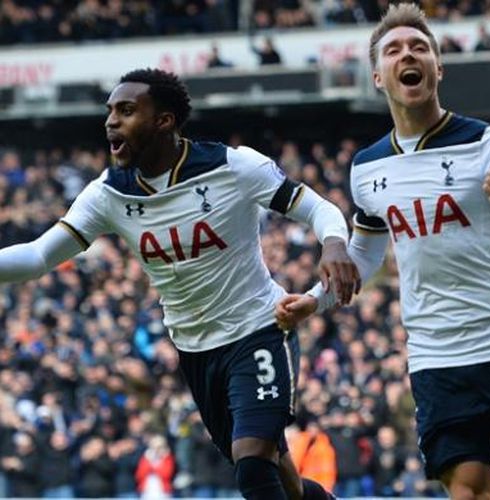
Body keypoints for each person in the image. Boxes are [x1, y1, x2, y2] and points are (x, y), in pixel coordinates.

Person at [0, 68, 360, 500]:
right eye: (110, 111)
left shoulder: (233, 167)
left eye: (126, 110)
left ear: (164, 121)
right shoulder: (109, 194)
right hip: (195, 350)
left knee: (252, 462)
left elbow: (318, 209)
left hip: (259, 329)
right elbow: (40, 255)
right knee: (283, 479)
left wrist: (335, 244)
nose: (111, 121)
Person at [278, 3, 490, 498]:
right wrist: (315, 300)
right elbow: (364, 258)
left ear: (439, 66)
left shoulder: (487, 140)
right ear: (376, 75)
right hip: (436, 358)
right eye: (393, 50)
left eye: (420, 47)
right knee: (468, 491)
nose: (407, 55)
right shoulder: (367, 168)